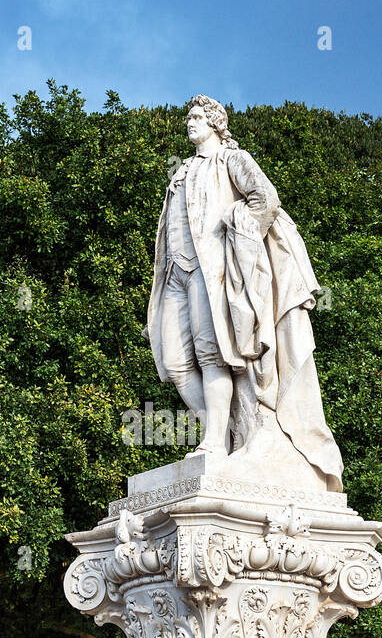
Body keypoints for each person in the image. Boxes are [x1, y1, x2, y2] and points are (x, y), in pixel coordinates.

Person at [146, 95, 343, 487]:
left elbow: (265, 199)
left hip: (210, 270)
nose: (190, 122)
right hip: (175, 275)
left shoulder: (233, 159)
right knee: (174, 363)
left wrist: (239, 233)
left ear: (216, 123)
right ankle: (223, 431)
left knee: (212, 355)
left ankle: (214, 443)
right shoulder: (183, 170)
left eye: (198, 117)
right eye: (189, 117)